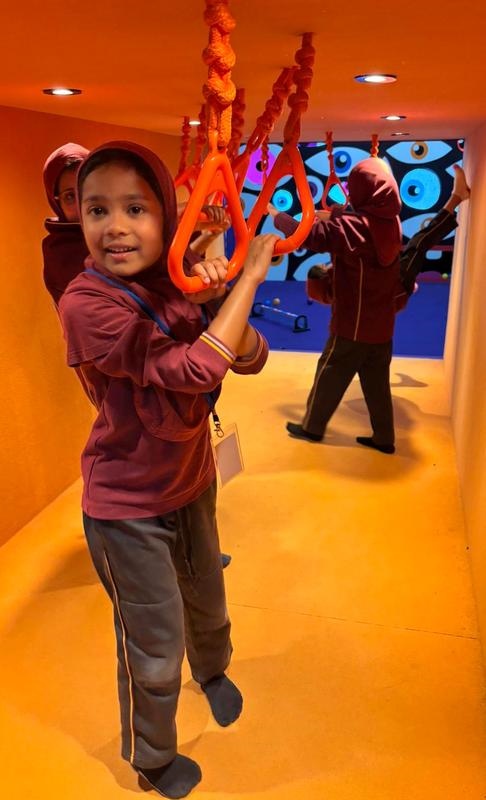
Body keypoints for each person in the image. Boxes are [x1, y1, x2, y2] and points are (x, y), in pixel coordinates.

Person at [58, 140, 278, 799]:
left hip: (191, 478)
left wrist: (216, 297)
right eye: (96, 209)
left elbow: (251, 357)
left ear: (167, 218)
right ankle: (151, 757)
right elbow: (195, 370)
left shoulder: (173, 280)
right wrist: (247, 282)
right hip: (126, 508)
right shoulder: (85, 303)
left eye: (136, 208)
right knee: (153, 645)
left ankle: (212, 669)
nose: (115, 227)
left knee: (207, 594)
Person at [270, 157, 402, 454]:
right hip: (381, 326)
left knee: (329, 373)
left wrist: (277, 216)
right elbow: (357, 224)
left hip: (352, 324)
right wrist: (335, 215)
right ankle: (384, 437)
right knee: (377, 384)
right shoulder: (390, 222)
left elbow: (310, 237)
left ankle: (312, 428)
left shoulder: (353, 227)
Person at [306, 164, 471, 310]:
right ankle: (457, 196)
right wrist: (331, 217)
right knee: (419, 243)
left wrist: (329, 218)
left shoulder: (342, 283)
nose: (329, 265)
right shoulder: (344, 283)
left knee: (412, 245)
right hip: (397, 287)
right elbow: (350, 233)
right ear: (327, 276)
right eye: (325, 267)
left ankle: (458, 196)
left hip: (390, 285)